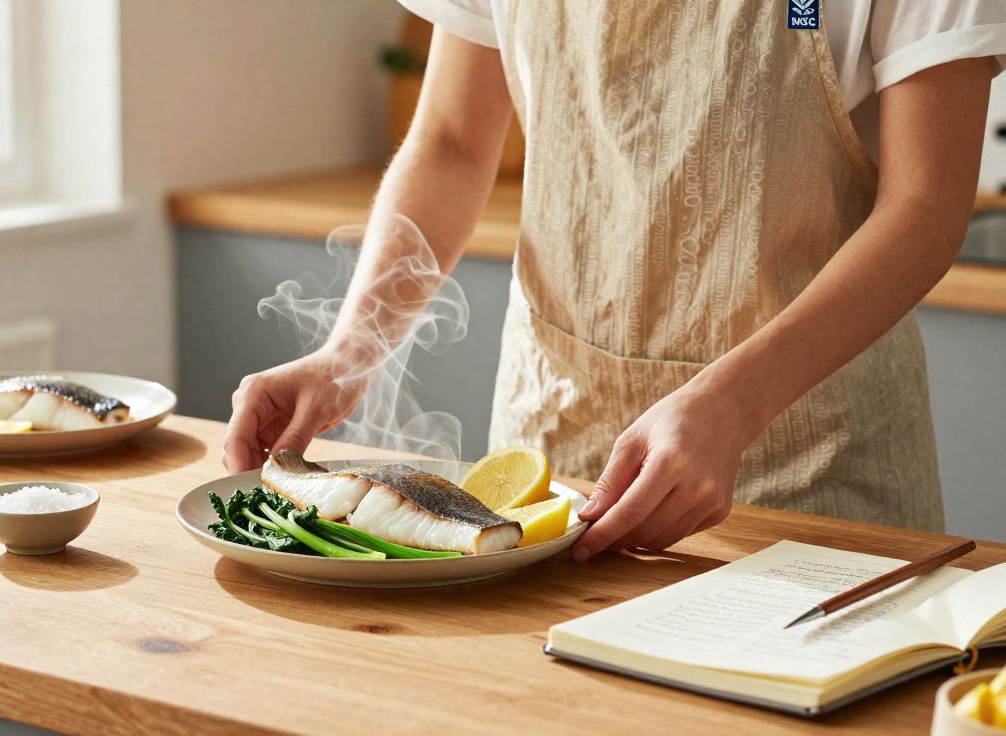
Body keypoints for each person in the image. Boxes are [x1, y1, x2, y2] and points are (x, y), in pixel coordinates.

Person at [224, 1, 1005, 561]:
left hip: (808, 464)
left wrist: (731, 404)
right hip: (552, 457)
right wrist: (346, 353)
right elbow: (455, 142)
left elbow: (926, 208)